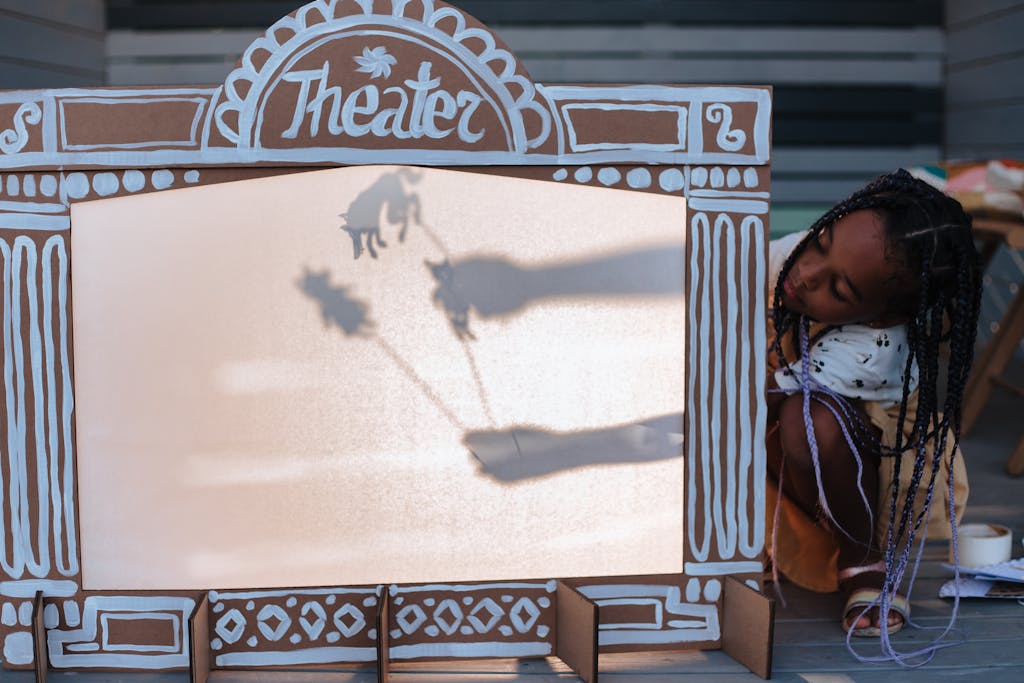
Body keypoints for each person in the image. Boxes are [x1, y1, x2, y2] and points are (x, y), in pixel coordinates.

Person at [764, 169, 982, 647]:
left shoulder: (874, 345)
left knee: (808, 418)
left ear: (883, 315)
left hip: (850, 475)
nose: (806, 273)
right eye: (820, 242)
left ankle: (862, 558)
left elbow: (758, 402)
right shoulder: (798, 259)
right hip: (770, 435)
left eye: (839, 290)